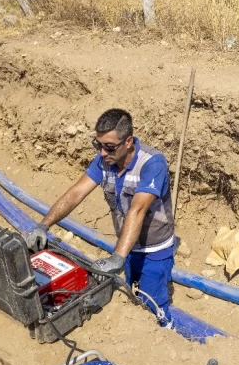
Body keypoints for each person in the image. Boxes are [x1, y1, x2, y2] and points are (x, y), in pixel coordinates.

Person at [34, 108, 176, 325]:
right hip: (126, 247)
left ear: (128, 141)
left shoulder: (152, 164)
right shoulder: (105, 161)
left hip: (153, 251)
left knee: (152, 306)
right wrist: (43, 225)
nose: (102, 152)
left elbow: (137, 210)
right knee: (132, 298)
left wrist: (116, 258)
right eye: (98, 145)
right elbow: (76, 193)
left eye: (109, 147)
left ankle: (166, 333)